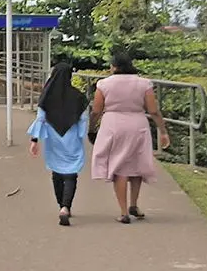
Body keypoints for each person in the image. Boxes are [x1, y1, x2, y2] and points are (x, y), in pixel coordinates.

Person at [89, 52, 170, 224]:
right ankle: (134, 204)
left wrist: (91, 127)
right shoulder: (144, 83)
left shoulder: (103, 84)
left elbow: (96, 110)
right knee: (136, 163)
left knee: (119, 168)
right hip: (138, 124)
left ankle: (124, 211)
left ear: (115, 66)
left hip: (113, 125)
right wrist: (163, 131)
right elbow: (153, 110)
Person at [27, 62, 90, 226]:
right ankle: (66, 207)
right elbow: (83, 119)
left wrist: (34, 140)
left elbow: (40, 118)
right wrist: (82, 134)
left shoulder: (46, 95)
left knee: (56, 172)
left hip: (53, 138)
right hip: (72, 137)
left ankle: (60, 205)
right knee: (71, 173)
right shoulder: (78, 96)